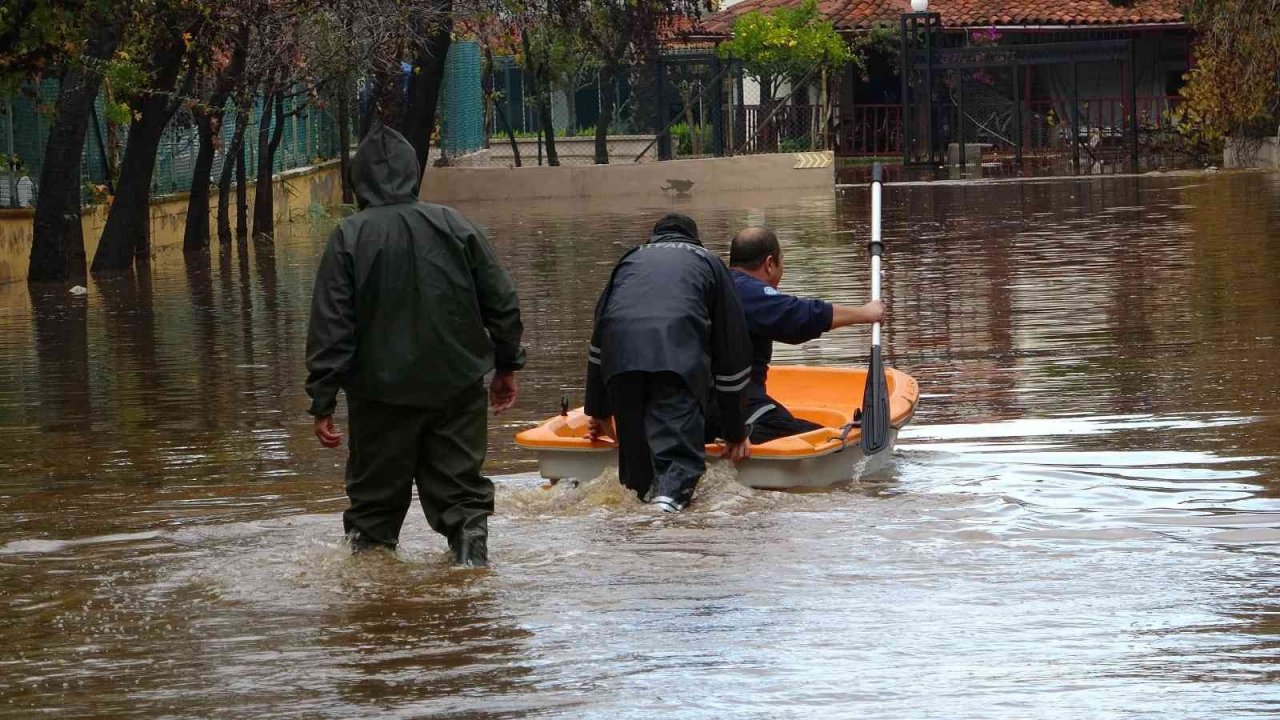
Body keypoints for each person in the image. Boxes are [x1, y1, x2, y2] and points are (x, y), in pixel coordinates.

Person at [305, 124, 525, 566]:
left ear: (358, 179)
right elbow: (502, 302)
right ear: (413, 172)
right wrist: (505, 365)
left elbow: (332, 326)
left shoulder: (349, 237)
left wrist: (322, 399)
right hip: (457, 389)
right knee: (463, 497)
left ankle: (375, 606)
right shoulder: (456, 226)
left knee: (373, 509)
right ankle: (469, 574)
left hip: (379, 397)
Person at [584, 213, 754, 513]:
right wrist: (735, 431)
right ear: (695, 240)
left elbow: (599, 338)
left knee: (636, 476)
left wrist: (597, 410)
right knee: (680, 462)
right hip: (678, 363)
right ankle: (664, 525)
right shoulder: (708, 262)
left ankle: (637, 529)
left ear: (654, 237)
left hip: (620, 364)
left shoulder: (630, 259)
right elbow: (731, 354)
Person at [717, 226, 884, 444]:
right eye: (782, 261)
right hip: (739, 408)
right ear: (770, 264)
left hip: (707, 406)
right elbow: (797, 317)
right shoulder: (746, 292)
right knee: (823, 439)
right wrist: (865, 313)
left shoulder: (716, 287)